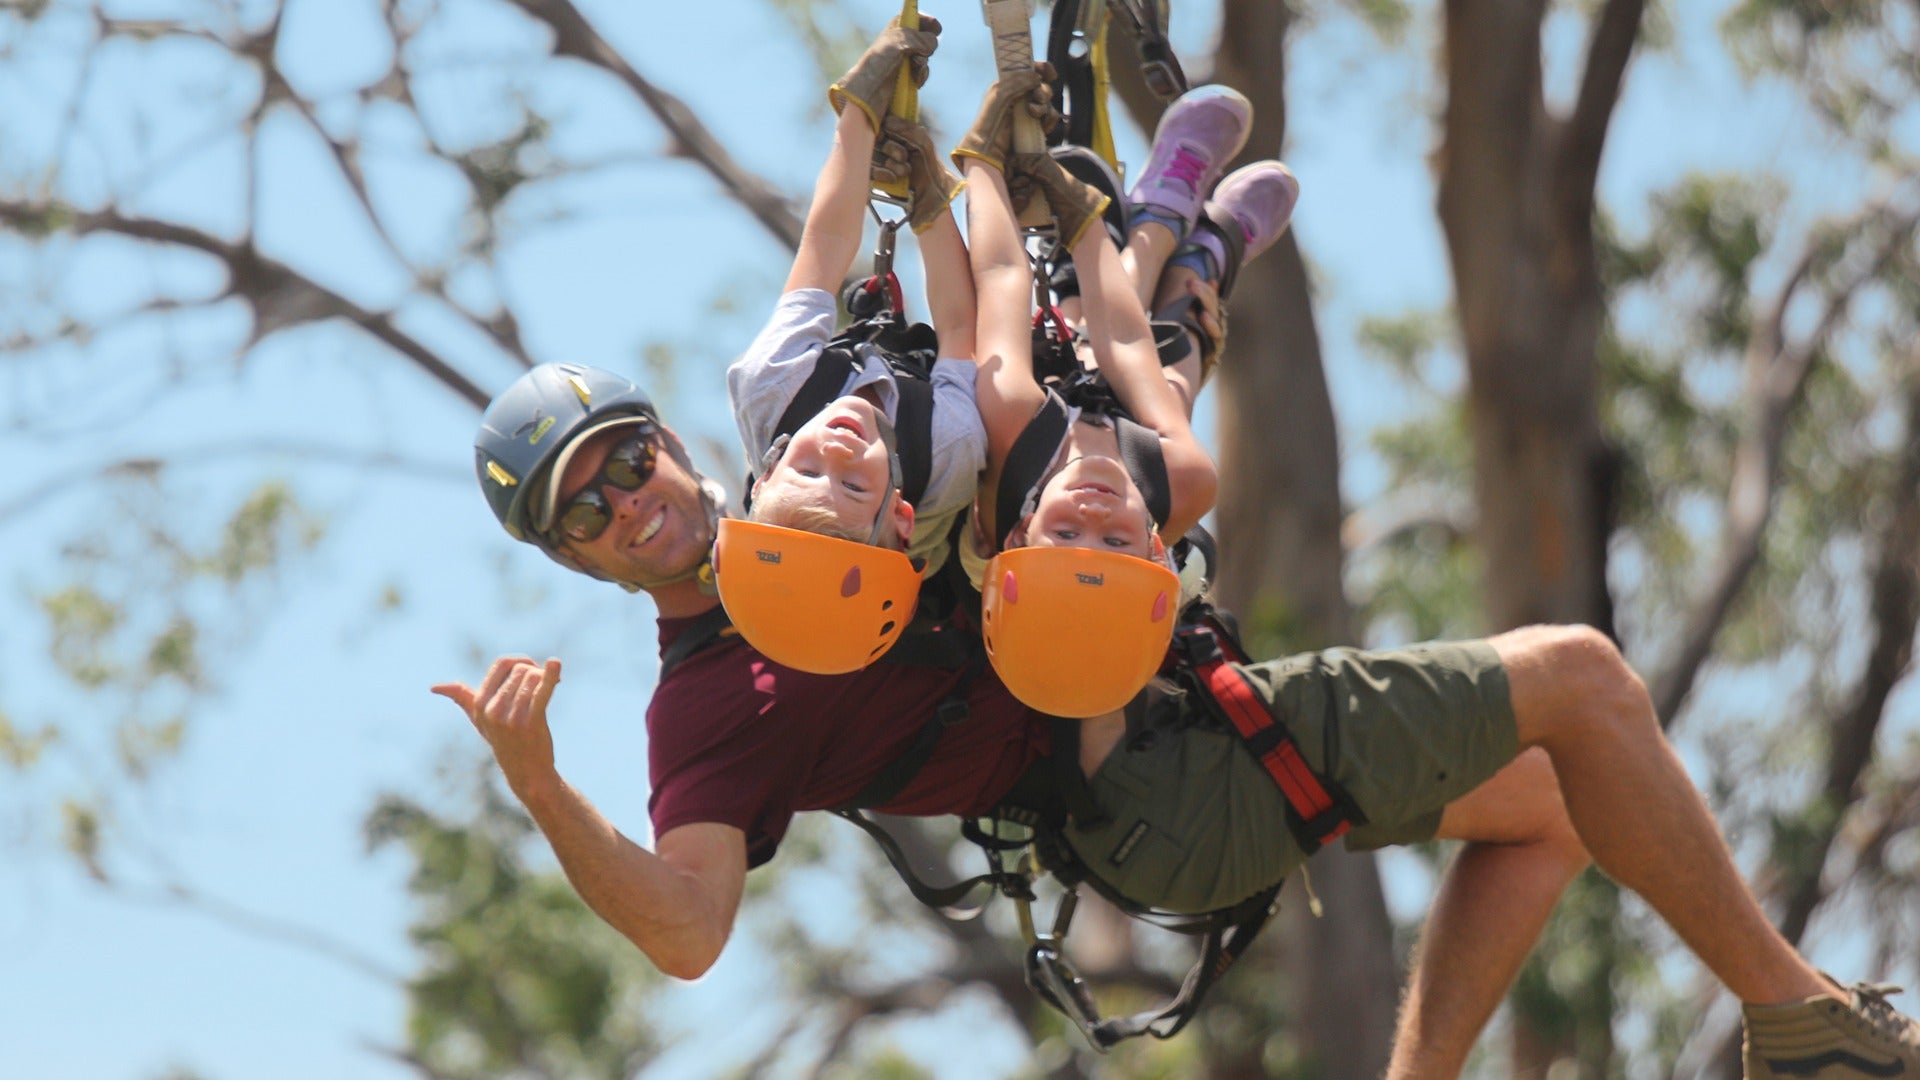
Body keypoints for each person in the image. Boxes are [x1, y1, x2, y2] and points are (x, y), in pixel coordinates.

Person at [438, 74, 1920, 1080]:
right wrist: (542, 786)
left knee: (1555, 805)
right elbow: (690, 935)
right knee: (1583, 682)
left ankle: (1170, 243)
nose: (626, 505)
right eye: (585, 514)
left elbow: (977, 355)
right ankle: (1800, 1022)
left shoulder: (831, 447)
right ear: (572, 561)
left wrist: (955, 181)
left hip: (1158, 719)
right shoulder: (713, 707)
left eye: (625, 460)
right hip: (1141, 782)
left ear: (674, 444)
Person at [726, 18, 981, 578]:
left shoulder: (770, 386)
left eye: (809, 472)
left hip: (866, 375)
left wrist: (860, 110)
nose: (836, 456)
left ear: (767, 471)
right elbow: (962, 326)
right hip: (933, 509)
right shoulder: (946, 452)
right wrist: (931, 203)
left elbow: (823, 248)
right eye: (854, 484)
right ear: (899, 509)